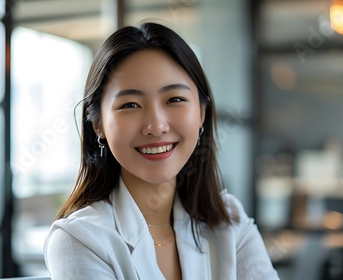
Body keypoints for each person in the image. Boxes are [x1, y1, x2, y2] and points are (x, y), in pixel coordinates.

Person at [44, 21, 279, 280]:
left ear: (201, 112)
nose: (156, 126)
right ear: (98, 123)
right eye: (130, 104)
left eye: (174, 100)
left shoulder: (230, 221)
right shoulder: (80, 239)